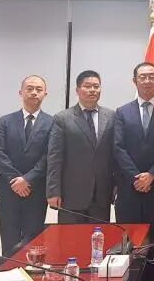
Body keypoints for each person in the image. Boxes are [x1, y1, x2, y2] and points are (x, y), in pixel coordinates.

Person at [113, 62, 154, 239]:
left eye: (151, 77)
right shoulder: (122, 112)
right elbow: (118, 147)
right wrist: (137, 177)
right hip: (129, 186)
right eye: (142, 77)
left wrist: (151, 175)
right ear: (134, 81)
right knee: (128, 238)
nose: (147, 81)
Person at [0, 75, 53, 254]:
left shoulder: (52, 122)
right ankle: (10, 271)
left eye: (39, 89)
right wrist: (16, 180)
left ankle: (31, 273)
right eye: (30, 89)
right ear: (21, 92)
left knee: (33, 243)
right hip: (9, 190)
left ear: (45, 94)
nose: (34, 93)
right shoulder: (6, 120)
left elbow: (49, 155)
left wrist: (28, 179)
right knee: (9, 242)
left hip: (36, 191)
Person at [47, 70, 116, 224]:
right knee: (71, 238)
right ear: (77, 90)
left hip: (102, 194)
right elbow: (55, 157)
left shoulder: (111, 117)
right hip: (71, 195)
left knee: (99, 237)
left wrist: (116, 187)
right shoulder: (63, 118)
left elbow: (115, 155)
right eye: (87, 86)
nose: (92, 90)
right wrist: (53, 191)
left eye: (96, 86)